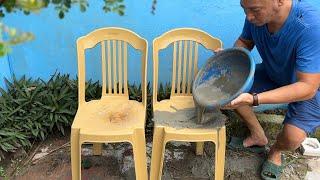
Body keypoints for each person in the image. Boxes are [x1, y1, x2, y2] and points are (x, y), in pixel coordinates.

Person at [222, 0, 320, 179]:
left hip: (310, 87)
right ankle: (258, 136)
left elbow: (308, 87)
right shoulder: (255, 17)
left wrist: (255, 99)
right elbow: (245, 41)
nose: (248, 16)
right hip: (273, 73)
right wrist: (230, 57)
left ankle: (275, 151)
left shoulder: (311, 25)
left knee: (292, 138)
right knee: (229, 89)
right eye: (244, 9)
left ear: (280, 1)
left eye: (254, 10)